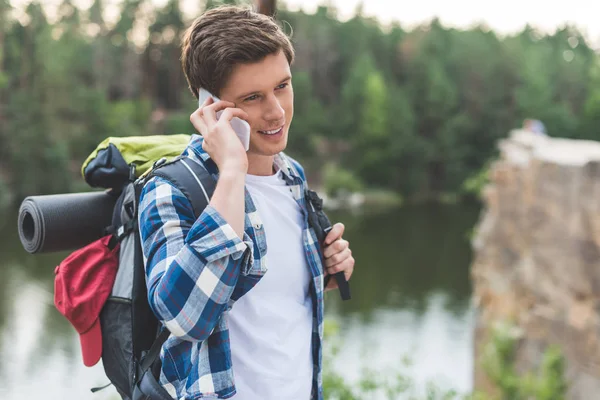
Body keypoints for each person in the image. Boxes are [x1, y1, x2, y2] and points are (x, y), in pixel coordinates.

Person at [137, 5, 355, 400]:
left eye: (283, 86)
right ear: (210, 106)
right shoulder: (172, 190)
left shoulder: (292, 175)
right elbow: (185, 318)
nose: (276, 111)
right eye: (253, 97)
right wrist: (233, 170)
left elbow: (278, 309)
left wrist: (327, 267)